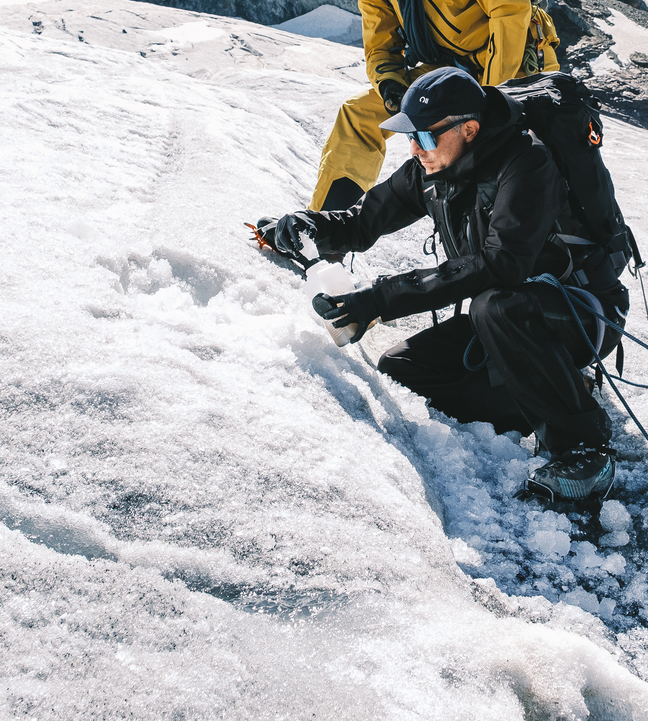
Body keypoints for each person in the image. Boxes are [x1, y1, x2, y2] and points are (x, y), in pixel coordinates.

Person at [259, 67, 619, 501]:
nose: (414, 148)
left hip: (580, 311)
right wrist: (307, 226)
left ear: (469, 129)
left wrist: (379, 301)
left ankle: (585, 450)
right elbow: (362, 222)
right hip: (504, 318)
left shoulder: (528, 163)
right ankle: (558, 391)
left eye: (425, 136)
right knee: (404, 370)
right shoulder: (430, 167)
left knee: (495, 304)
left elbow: (499, 265)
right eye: (410, 136)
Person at [310, 0, 558, 212]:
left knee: (530, 155)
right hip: (450, 68)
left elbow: (510, 9)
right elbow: (380, 45)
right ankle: (325, 224)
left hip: (513, 59)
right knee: (358, 115)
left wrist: (490, 95)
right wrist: (391, 85)